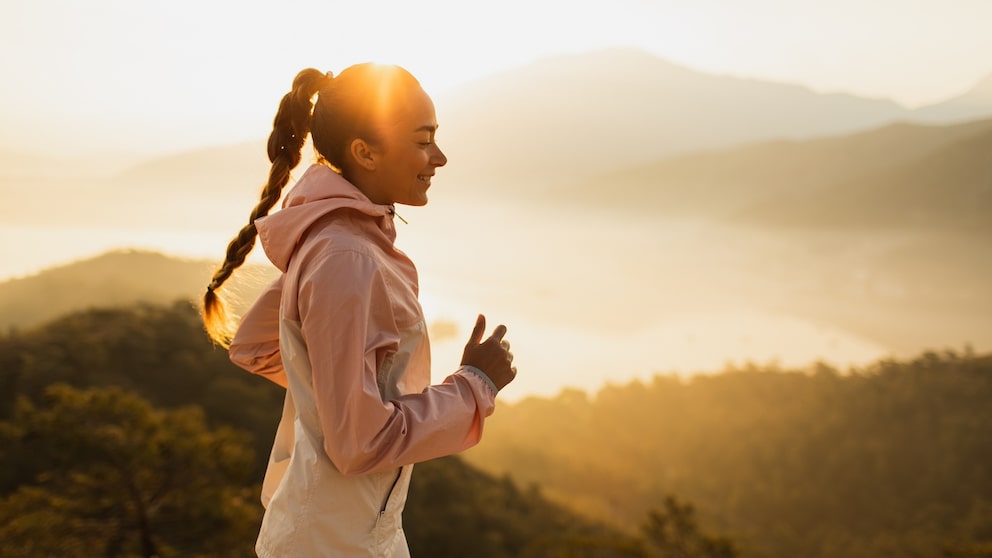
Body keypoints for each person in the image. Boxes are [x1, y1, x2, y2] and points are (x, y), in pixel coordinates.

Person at [201, 64, 517, 557]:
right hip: (332, 543)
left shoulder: (338, 243)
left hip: (346, 529)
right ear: (364, 152)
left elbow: (256, 347)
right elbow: (360, 443)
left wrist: (338, 390)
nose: (440, 157)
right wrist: (474, 385)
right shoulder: (345, 255)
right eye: (422, 141)